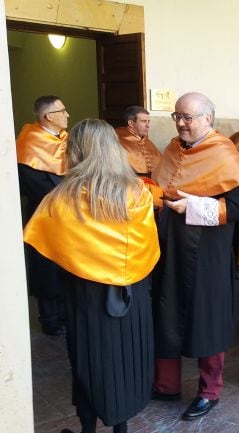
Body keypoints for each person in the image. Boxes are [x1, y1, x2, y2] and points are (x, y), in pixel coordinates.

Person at [24, 119, 159, 433]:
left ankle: (87, 428)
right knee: (127, 361)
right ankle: (121, 427)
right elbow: (148, 245)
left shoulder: (63, 198)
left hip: (86, 295)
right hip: (133, 294)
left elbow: (43, 247)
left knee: (89, 360)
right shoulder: (138, 192)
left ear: (77, 151)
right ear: (114, 149)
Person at [151, 92, 239, 420]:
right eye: (177, 116)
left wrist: (192, 206)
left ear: (208, 119)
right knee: (165, 312)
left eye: (188, 117)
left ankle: (210, 390)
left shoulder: (224, 153)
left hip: (206, 251)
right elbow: (161, 185)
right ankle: (166, 384)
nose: (181, 123)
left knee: (207, 319)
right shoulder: (171, 148)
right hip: (169, 247)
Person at [16, 95, 70, 336]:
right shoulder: (29, 144)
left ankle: (65, 313)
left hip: (69, 216)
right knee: (45, 267)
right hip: (44, 215)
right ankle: (49, 318)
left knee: (66, 264)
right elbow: (34, 184)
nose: (67, 115)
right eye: (63, 110)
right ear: (49, 116)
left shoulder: (65, 140)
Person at [114, 106, 161, 177]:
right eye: (143, 121)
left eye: (148, 121)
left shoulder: (146, 140)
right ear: (131, 123)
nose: (148, 125)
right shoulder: (117, 139)